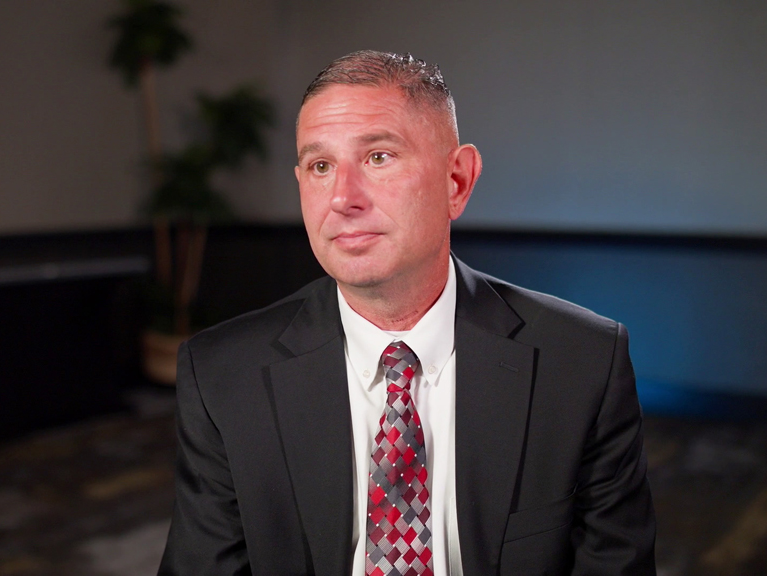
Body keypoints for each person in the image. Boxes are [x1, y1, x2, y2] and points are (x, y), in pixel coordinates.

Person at [158, 50, 656, 576]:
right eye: (321, 166)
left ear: (457, 181)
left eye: (378, 157)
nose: (342, 198)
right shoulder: (222, 376)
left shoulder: (582, 363)